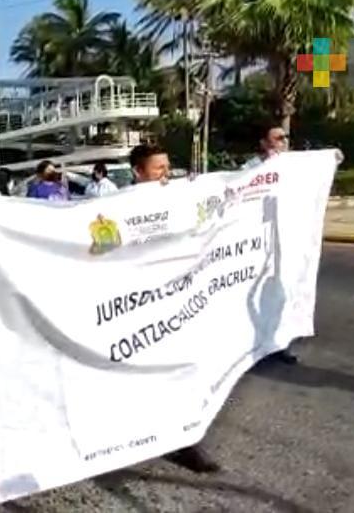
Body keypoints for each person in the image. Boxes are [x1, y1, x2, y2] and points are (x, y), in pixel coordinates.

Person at [125, 143, 220, 474]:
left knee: (182, 371)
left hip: (177, 304)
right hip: (138, 310)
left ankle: (185, 441)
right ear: (138, 172)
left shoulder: (177, 197)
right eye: (159, 169)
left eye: (168, 167)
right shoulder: (119, 206)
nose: (167, 174)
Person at [241, 126, 343, 366]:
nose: (283, 142)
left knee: (284, 290)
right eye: (278, 138)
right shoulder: (251, 168)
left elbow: (317, 172)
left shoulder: (296, 164)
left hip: (286, 241)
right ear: (264, 143)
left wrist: (332, 159)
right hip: (259, 243)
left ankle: (280, 342)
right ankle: (253, 343)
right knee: (257, 294)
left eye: (285, 137)